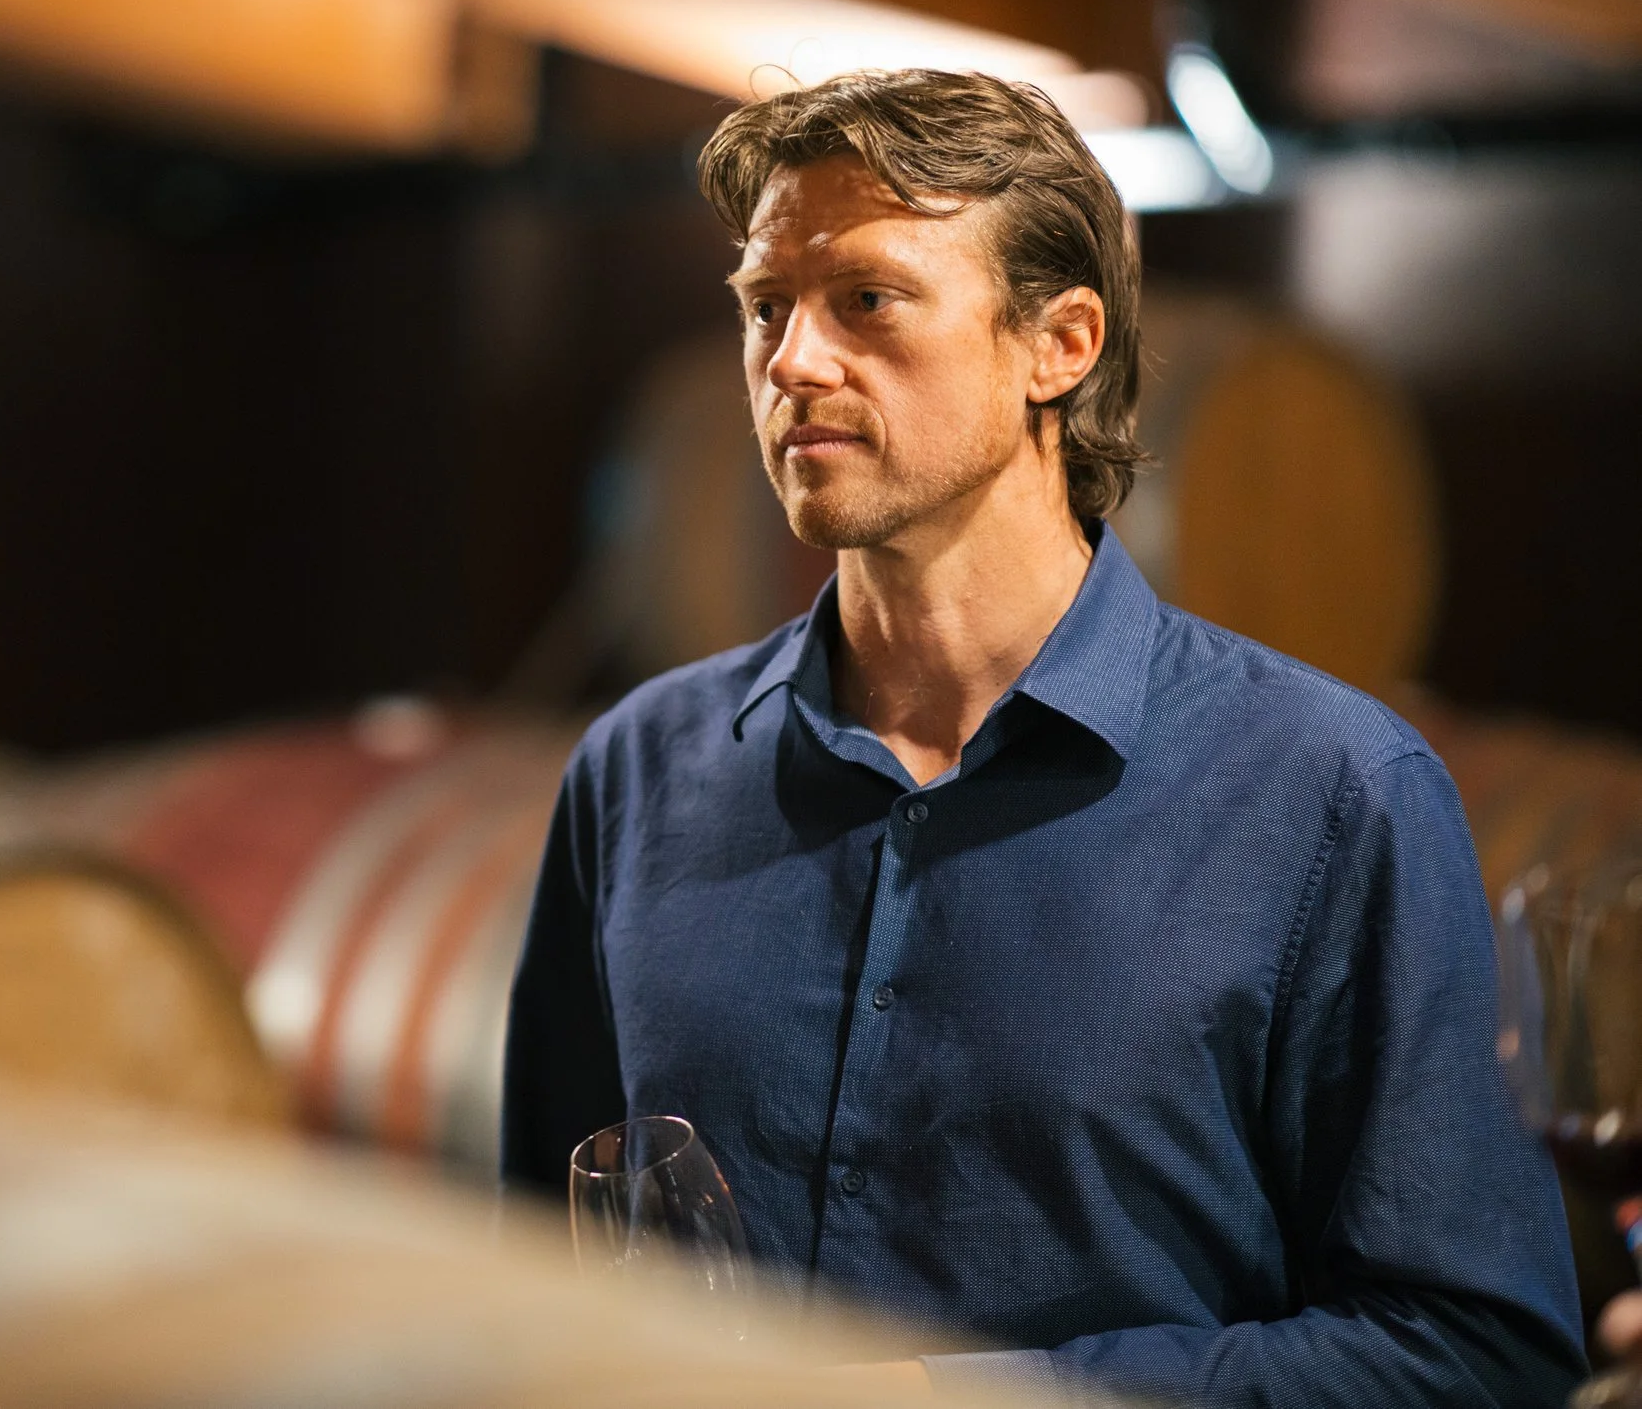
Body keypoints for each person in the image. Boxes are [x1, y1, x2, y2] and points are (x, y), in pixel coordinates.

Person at [500, 69, 1585, 1406]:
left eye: (867, 300)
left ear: (1058, 344)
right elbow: (530, 1272)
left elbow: (1475, 1353)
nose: (790, 362)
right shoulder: (636, 771)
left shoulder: (1332, 794)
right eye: (765, 308)